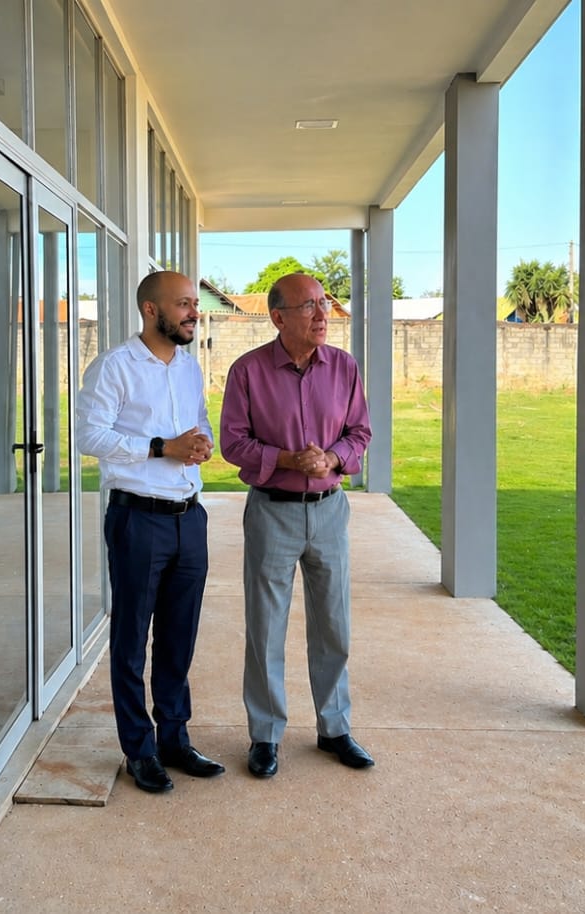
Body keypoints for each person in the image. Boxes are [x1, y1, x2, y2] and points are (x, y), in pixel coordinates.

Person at [220, 272, 374, 778]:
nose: (322, 315)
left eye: (323, 304)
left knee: (334, 625)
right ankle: (265, 736)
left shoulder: (345, 367)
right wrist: (288, 458)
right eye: (308, 307)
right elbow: (234, 443)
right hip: (272, 512)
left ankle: (334, 728)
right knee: (266, 627)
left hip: (329, 510)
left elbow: (360, 432)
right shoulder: (247, 371)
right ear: (279, 317)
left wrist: (330, 457)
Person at [75, 270, 222, 794]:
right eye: (183, 304)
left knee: (179, 637)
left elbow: (198, 421)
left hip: (190, 517)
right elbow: (88, 435)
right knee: (132, 639)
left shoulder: (187, 367)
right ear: (151, 310)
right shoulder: (115, 366)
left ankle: (174, 739)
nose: (193, 311)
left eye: (193, 304)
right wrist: (162, 447)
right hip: (138, 519)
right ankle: (139, 750)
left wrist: (199, 444)